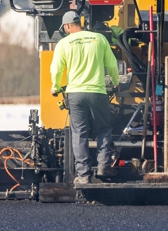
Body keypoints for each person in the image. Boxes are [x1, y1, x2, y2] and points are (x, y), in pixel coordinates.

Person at [50, 11, 120, 185]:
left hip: (75, 94)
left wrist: (55, 87)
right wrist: (116, 82)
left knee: (79, 132)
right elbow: (112, 64)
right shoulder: (99, 39)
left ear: (67, 26)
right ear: (79, 23)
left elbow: (57, 69)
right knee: (103, 129)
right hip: (98, 92)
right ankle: (104, 165)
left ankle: (83, 175)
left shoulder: (63, 43)